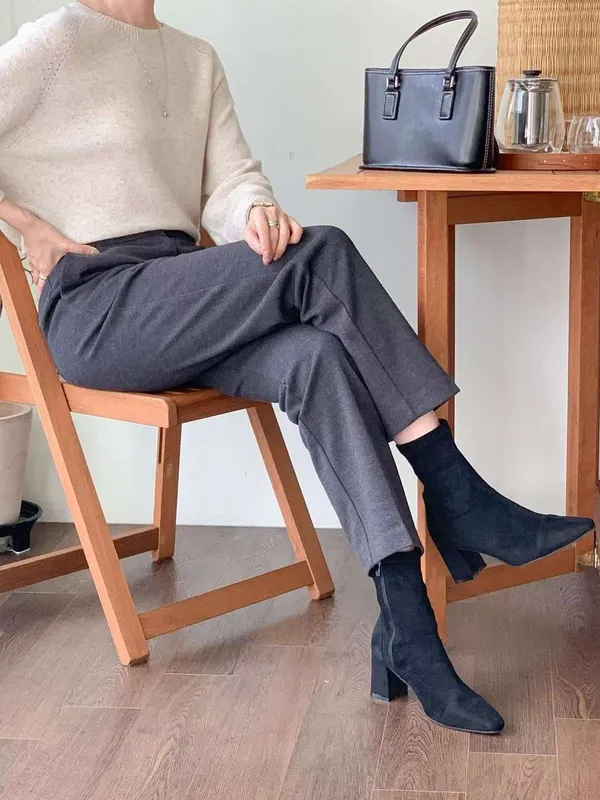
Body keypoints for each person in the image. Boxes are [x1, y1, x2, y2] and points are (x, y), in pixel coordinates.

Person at [0, 0, 593, 736]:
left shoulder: (194, 58)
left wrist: (256, 212)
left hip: (187, 288)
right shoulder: (57, 42)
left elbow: (230, 182)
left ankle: (407, 625)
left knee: (318, 356)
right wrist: (29, 227)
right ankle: (456, 491)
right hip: (100, 307)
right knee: (325, 253)